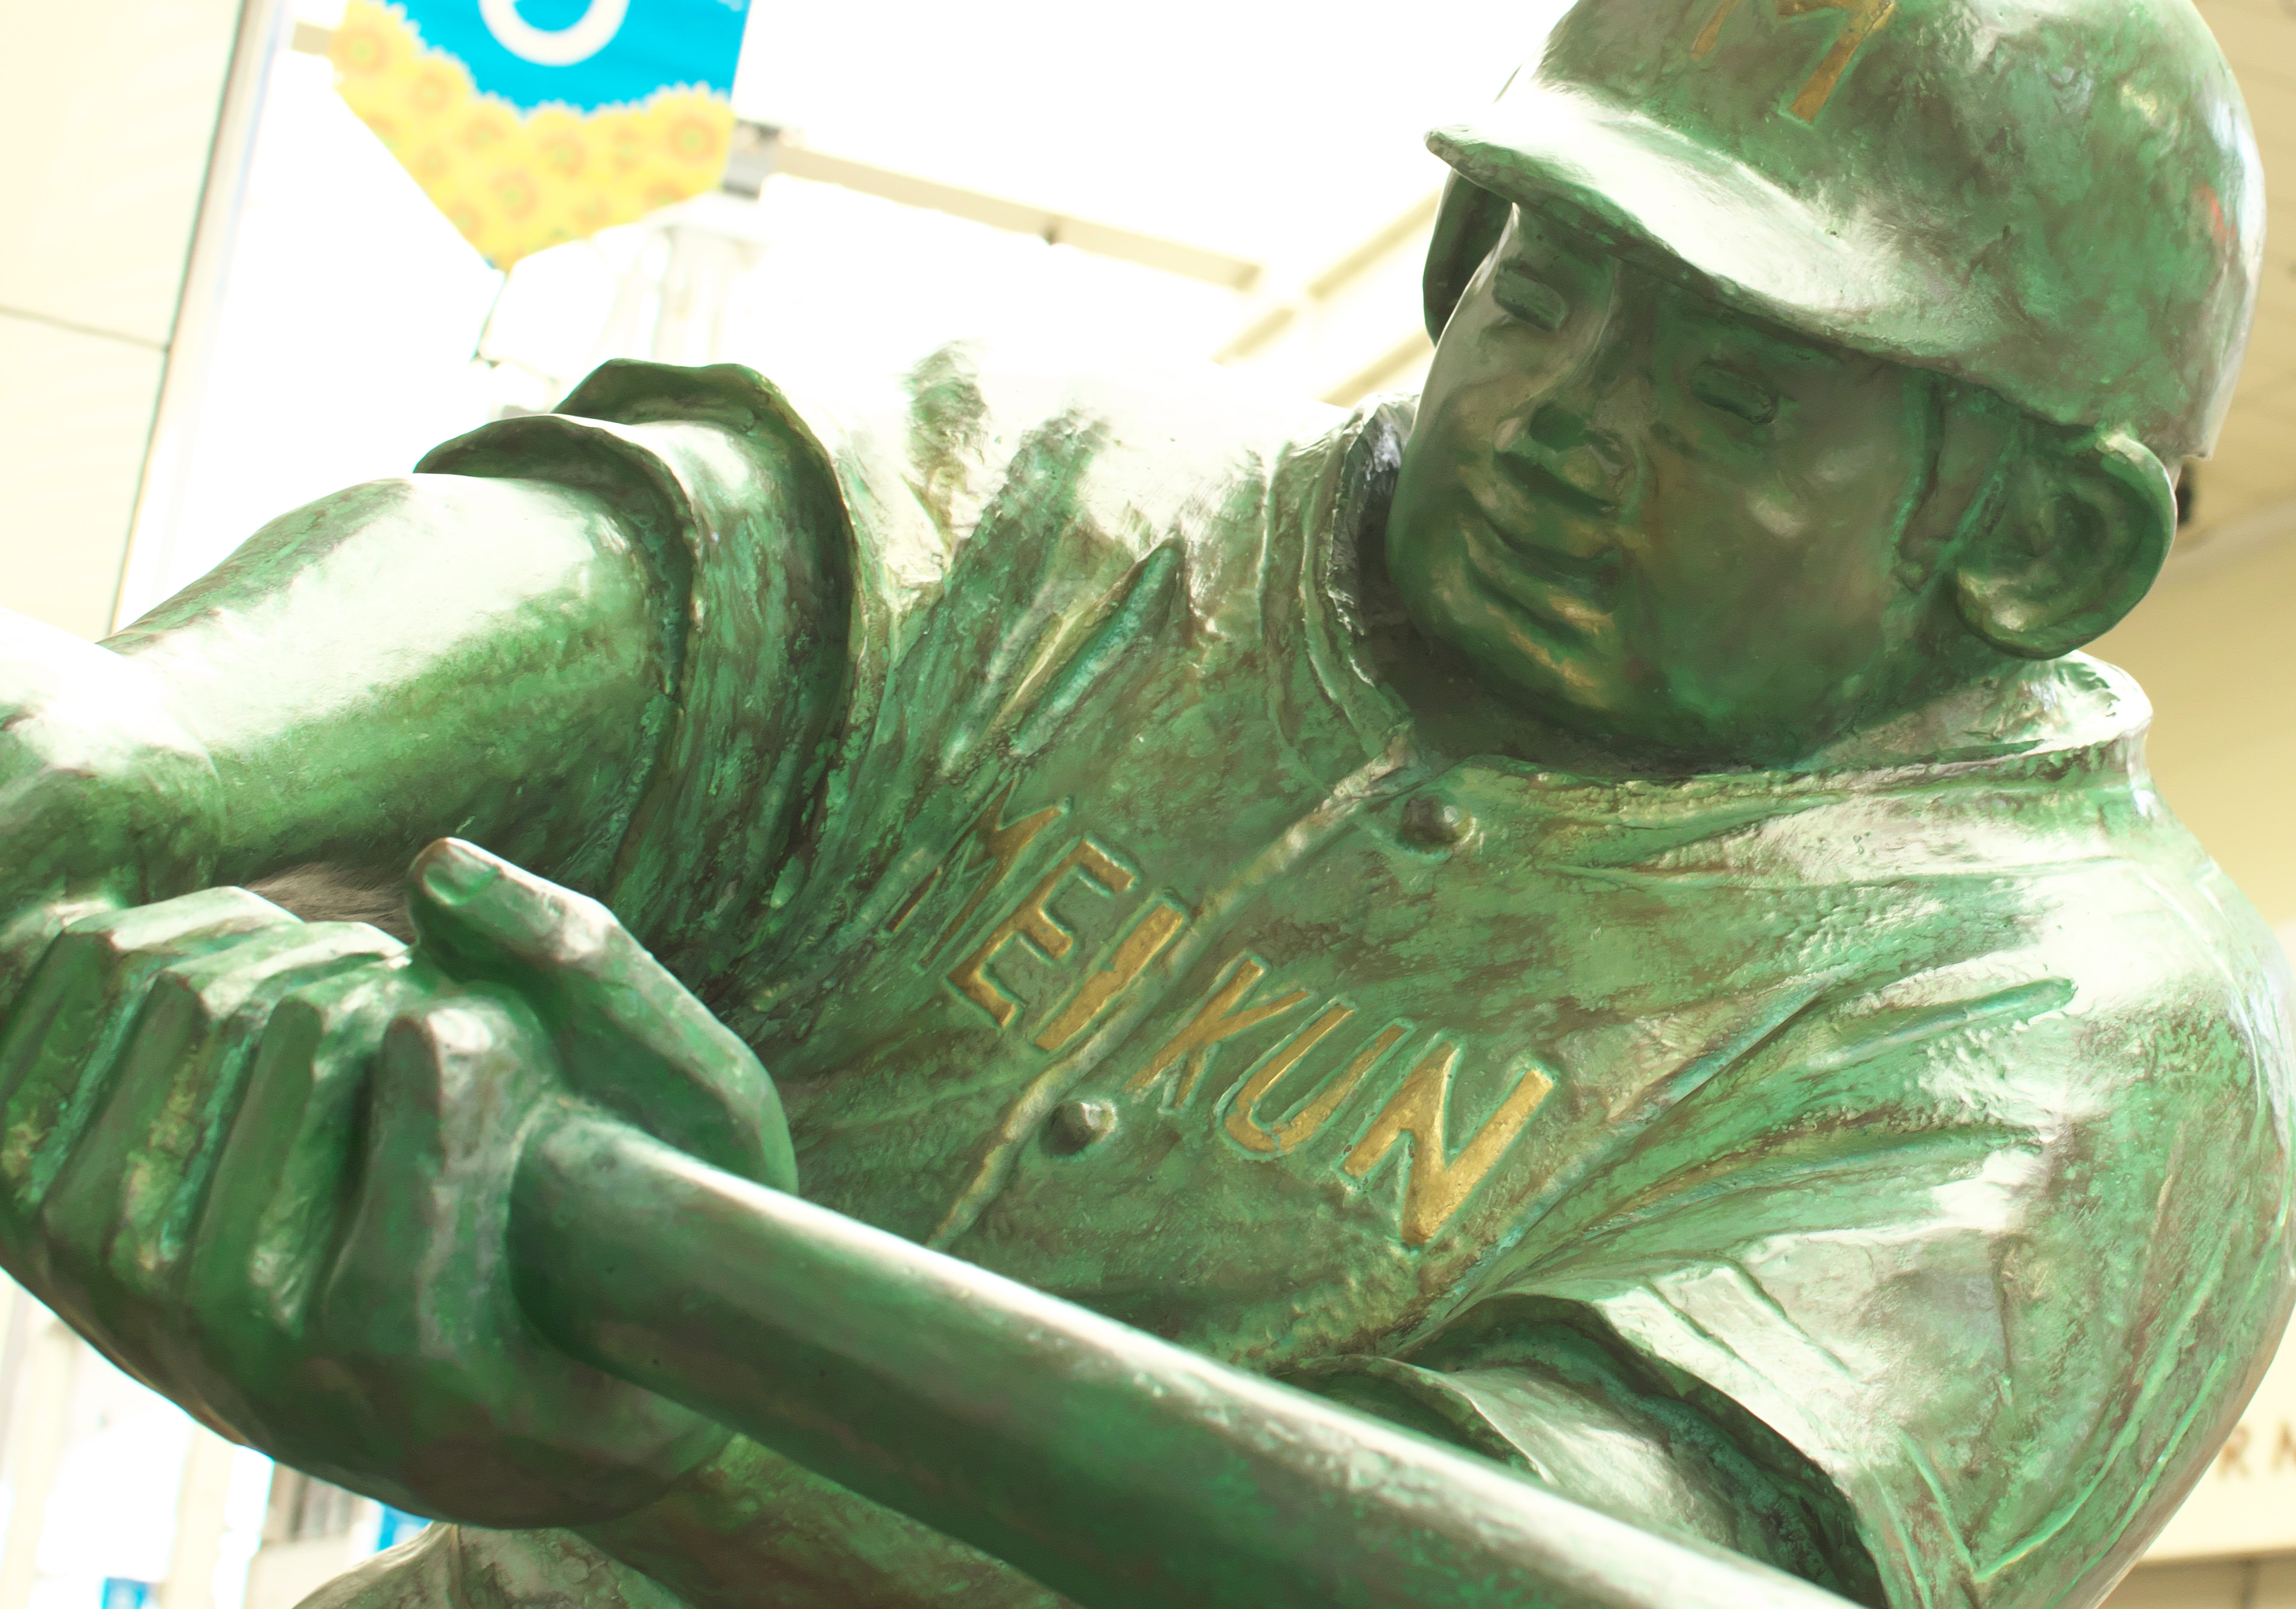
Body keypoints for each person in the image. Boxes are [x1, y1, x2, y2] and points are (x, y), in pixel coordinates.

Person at [0, 0, 2283, 1602]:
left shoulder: (2090, 1024)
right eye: (1543, 293)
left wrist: (670, 1400)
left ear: (2034, 544)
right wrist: (166, 750)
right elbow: (676, 572)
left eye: (1733, 395)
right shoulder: (1089, 497)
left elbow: (1566, 1576)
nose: (1553, 424)